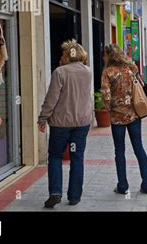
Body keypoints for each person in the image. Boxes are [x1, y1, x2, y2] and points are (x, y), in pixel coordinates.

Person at [38, 40, 93, 209]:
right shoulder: (88, 72)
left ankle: (55, 192)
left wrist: (42, 118)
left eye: (63, 54)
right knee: (77, 157)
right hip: (82, 123)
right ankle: (74, 196)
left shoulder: (60, 72)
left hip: (60, 124)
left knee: (55, 156)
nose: (61, 57)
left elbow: (51, 99)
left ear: (68, 55)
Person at [101, 44, 147, 195]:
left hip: (117, 118)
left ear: (108, 56)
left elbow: (106, 96)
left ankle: (123, 185)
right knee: (139, 148)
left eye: (104, 55)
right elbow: (141, 83)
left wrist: (110, 107)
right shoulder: (130, 69)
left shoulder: (108, 72)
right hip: (134, 115)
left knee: (119, 150)